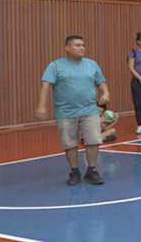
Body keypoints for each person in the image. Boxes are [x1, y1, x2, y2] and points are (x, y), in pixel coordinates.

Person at [36, 35, 109, 185]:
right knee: (69, 143)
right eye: (77, 45)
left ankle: (92, 170)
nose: (82, 48)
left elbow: (101, 82)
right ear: (67, 48)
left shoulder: (92, 64)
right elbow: (45, 85)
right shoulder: (55, 65)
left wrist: (105, 93)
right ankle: (74, 171)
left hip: (89, 110)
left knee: (93, 140)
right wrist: (42, 105)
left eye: (83, 45)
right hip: (65, 112)